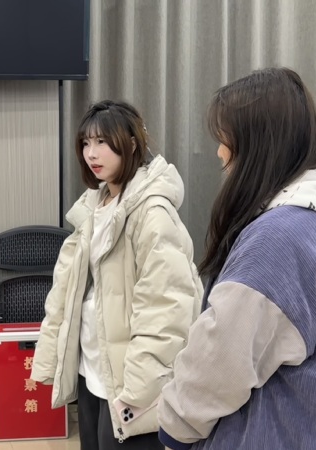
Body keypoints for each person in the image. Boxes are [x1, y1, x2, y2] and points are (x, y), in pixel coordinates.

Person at [158, 67, 316, 450]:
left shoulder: (277, 239)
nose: (219, 152)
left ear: (259, 142)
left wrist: (176, 423)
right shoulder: (305, 219)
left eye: (226, 138)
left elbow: (221, 359)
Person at [30, 100, 203, 449]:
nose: (91, 153)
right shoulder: (94, 205)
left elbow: (167, 309)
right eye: (85, 143)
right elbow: (67, 292)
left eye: (102, 142)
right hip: (93, 370)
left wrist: (139, 387)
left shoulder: (152, 212)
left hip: (131, 382)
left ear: (132, 144)